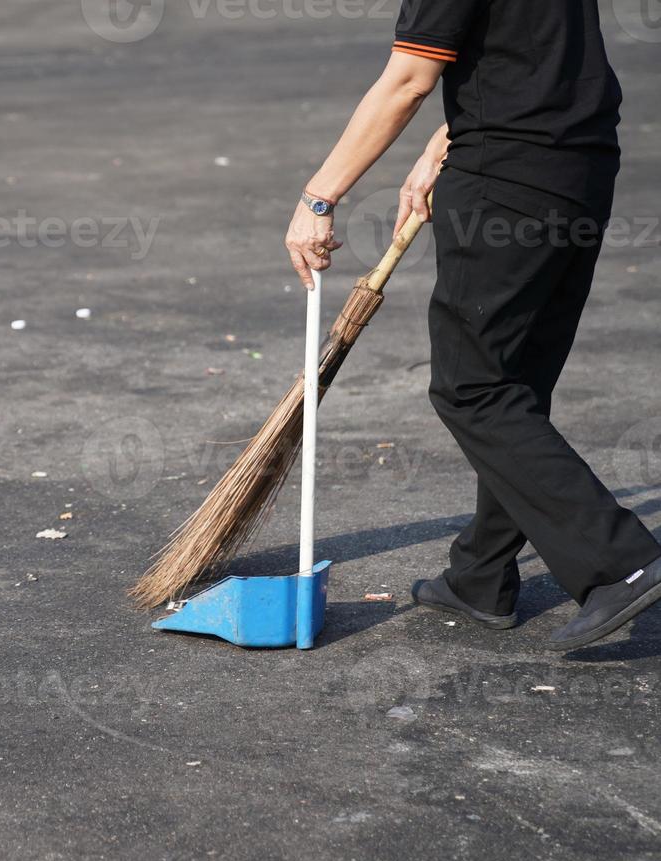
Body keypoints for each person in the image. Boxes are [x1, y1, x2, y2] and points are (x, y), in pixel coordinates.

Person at [282, 0, 661, 652]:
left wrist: (319, 197)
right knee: (515, 382)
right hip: (580, 167)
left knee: (474, 389)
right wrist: (444, 139)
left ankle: (619, 560)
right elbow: (526, 54)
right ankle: (482, 575)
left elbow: (408, 79)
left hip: (506, 181)